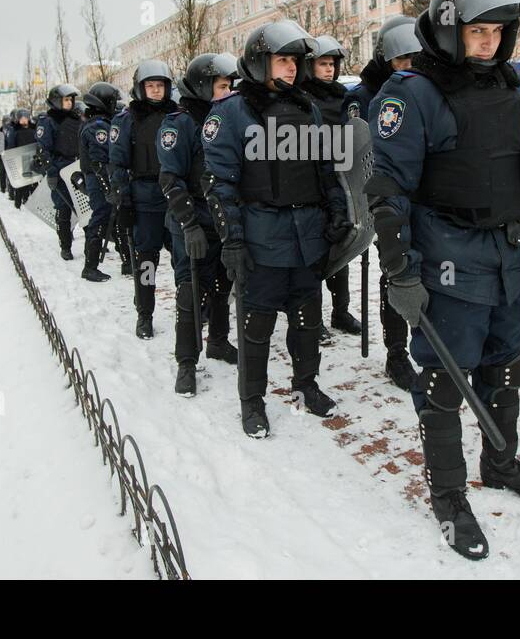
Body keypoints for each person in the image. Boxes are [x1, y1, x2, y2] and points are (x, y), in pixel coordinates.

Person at [367, 0, 520, 561]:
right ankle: (449, 495)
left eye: (497, 32)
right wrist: (399, 271)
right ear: (450, 30)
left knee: (505, 369)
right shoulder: (411, 94)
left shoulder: (507, 88)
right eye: (478, 31)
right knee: (443, 381)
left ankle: (501, 463)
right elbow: (387, 192)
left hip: (506, 257)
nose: (488, 43)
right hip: (448, 260)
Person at [204, 21, 353, 438]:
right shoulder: (230, 113)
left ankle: (306, 384)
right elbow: (220, 185)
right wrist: (232, 239)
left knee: (307, 319)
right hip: (260, 237)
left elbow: (327, 169)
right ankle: (251, 401)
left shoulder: (308, 107)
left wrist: (338, 212)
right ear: (259, 61)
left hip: (308, 235)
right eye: (283, 59)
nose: (291, 68)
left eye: (295, 61)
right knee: (257, 327)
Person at [158, 53, 241, 395]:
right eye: (222, 86)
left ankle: (218, 341)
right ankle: (186, 361)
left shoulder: (226, 119)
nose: (228, 92)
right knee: (191, 292)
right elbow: (170, 179)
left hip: (222, 219)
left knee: (223, 286)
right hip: (191, 221)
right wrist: (188, 223)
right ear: (205, 87)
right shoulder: (178, 125)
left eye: (229, 86)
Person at [346, 14, 421, 392]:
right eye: (400, 60)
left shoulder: (424, 88)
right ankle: (396, 354)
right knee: (394, 270)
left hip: (419, 194)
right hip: (381, 198)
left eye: (414, 58)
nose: (408, 66)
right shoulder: (362, 97)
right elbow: (354, 152)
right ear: (385, 58)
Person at [300, 36, 362, 342]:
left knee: (343, 245)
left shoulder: (342, 96)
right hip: (313, 180)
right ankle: (313, 316)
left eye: (331, 64)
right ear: (310, 66)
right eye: (322, 64)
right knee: (316, 252)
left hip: (342, 177)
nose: (328, 70)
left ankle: (341, 311)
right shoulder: (302, 97)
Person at [109, 62, 178, 339]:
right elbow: (117, 164)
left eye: (160, 85)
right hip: (144, 200)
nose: (155, 91)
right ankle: (145, 313)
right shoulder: (127, 120)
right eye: (150, 86)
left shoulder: (177, 116)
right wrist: (123, 201)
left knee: (184, 260)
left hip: (175, 199)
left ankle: (191, 309)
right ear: (140, 88)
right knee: (147, 262)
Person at [76, 85, 125, 279]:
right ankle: (90, 266)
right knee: (101, 217)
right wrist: (108, 187)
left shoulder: (99, 122)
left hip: (100, 179)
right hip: (98, 180)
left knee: (113, 218)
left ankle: (127, 260)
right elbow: (99, 162)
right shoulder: (97, 127)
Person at [34, 84, 84, 261]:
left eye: (71, 99)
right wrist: (52, 172)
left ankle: (93, 243)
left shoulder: (76, 119)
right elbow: (43, 149)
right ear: (56, 100)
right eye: (66, 99)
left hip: (77, 168)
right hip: (60, 169)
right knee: (63, 210)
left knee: (84, 208)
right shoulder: (48, 121)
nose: (70, 102)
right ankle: (65, 246)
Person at [6, 109, 38, 210]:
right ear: (18, 119)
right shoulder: (14, 130)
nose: (24, 120)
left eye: (26, 118)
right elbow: (11, 146)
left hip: (33, 158)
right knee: (22, 184)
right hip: (20, 159)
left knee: (34, 182)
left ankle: (33, 203)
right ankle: (18, 204)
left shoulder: (34, 129)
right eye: (22, 119)